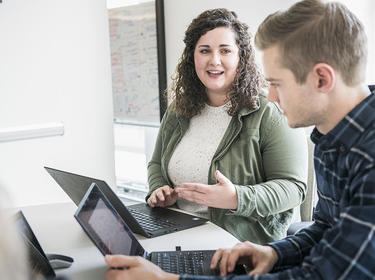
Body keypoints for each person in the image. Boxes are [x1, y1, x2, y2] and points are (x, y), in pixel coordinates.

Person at [104, 0, 375, 279]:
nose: (271, 97)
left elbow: (320, 275)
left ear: (321, 79)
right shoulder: (333, 140)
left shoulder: (369, 158)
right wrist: (276, 253)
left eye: (278, 84)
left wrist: (170, 279)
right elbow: (325, 230)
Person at [146, 8, 308, 244]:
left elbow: (293, 189)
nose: (214, 60)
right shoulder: (178, 109)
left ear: (240, 57)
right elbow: (156, 163)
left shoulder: (268, 111)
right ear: (192, 57)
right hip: (175, 233)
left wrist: (237, 198)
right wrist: (158, 189)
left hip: (241, 244)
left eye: (225, 50)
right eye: (204, 50)